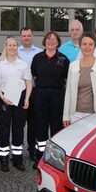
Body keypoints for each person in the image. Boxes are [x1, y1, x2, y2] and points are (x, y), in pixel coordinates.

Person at [0, 37, 32, 172]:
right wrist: (3, 98)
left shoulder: (23, 64)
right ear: (6, 46)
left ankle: (17, 158)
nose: (12, 47)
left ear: (17, 47)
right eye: (10, 45)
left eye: (15, 45)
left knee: (18, 129)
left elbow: (28, 83)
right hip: (4, 99)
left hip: (19, 99)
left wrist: (27, 99)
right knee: (3, 130)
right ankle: (3, 158)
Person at [31, 32, 69, 168]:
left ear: (58, 42)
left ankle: (55, 160)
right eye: (48, 39)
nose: (51, 41)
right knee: (40, 128)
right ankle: (39, 158)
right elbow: (34, 75)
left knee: (56, 129)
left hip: (57, 96)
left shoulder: (64, 59)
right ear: (44, 41)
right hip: (41, 95)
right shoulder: (37, 58)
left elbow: (66, 78)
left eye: (54, 39)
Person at [63, 32, 96, 127]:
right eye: (84, 44)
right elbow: (68, 92)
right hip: (75, 114)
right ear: (80, 46)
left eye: (90, 44)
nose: (87, 47)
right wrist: (66, 115)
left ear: (95, 46)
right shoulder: (73, 66)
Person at [17, 26, 42, 162]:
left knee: (34, 123)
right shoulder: (15, 51)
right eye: (24, 36)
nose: (26, 38)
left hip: (34, 92)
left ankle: (32, 150)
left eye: (29, 35)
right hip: (18, 92)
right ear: (21, 37)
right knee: (18, 124)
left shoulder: (40, 52)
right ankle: (17, 152)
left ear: (32, 36)